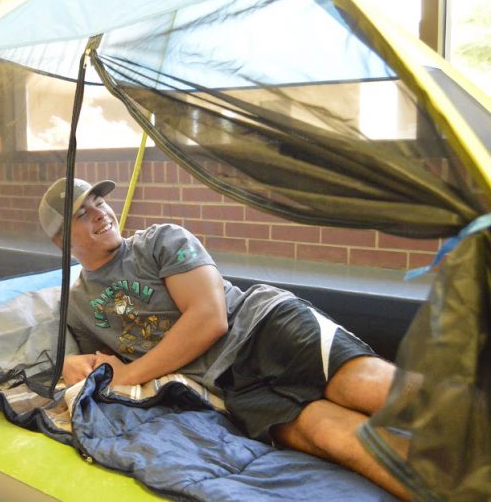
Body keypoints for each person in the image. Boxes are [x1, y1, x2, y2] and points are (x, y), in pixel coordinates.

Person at [38, 177, 409, 501]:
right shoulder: (77, 306)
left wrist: (129, 375)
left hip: (262, 326)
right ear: (60, 240)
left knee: (368, 388)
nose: (100, 213)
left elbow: (209, 319)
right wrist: (71, 362)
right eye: (81, 214)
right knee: (332, 437)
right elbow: (92, 366)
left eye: (99, 203)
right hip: (231, 387)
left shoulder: (160, 241)